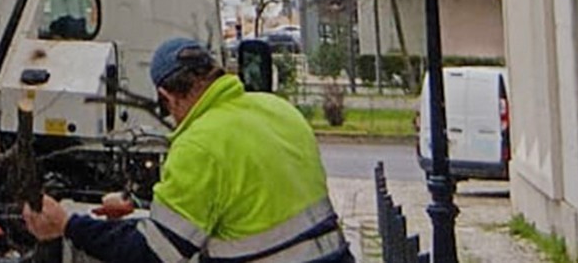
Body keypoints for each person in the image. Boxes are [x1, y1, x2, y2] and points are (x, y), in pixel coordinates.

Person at [19, 38, 350, 263]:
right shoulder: (277, 109)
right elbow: (248, 192)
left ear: (167, 96)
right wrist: (140, 204)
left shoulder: (198, 145)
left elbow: (154, 252)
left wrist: (67, 224)